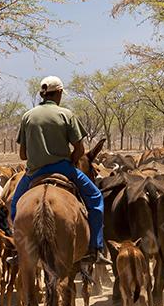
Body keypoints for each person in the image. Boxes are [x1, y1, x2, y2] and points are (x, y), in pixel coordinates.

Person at [9, 76, 105, 257]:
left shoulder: (27, 116)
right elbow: (79, 149)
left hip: (33, 173)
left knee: (15, 207)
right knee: (96, 198)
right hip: (64, 169)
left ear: (42, 94)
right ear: (59, 93)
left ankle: (18, 249)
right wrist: (70, 160)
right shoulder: (66, 114)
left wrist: (39, 155)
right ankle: (96, 247)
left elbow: (22, 155)